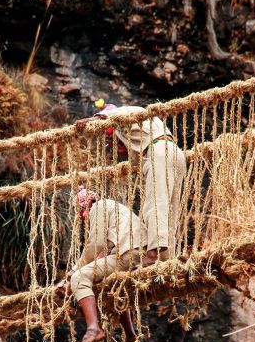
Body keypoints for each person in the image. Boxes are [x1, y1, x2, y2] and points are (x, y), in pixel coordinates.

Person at [76, 100, 187, 267]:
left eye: (109, 135)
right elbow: (124, 148)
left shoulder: (127, 112)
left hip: (159, 153)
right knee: (170, 209)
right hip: (174, 154)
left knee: (155, 205)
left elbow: (117, 114)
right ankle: (166, 259)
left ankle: (152, 253)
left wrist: (94, 119)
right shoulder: (141, 130)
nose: (111, 140)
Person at [65, 186, 144, 342]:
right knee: (112, 289)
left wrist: (74, 270)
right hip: (135, 253)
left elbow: (96, 244)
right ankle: (131, 338)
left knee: (80, 278)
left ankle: (93, 328)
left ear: (84, 206)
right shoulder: (113, 209)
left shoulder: (98, 207)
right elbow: (105, 248)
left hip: (128, 254)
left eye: (79, 212)